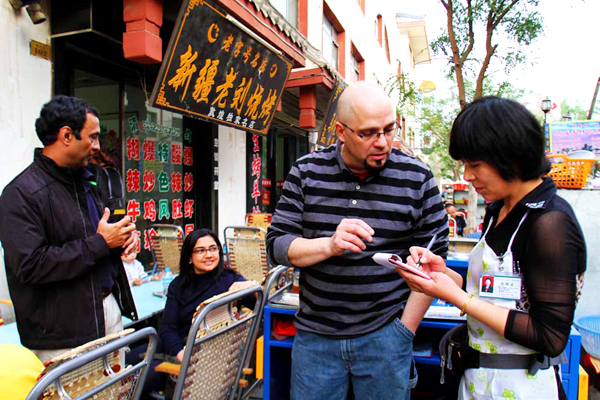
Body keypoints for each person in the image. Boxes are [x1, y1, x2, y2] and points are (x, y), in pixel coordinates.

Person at [266, 81, 448, 399]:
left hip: (386, 336)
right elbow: (278, 245)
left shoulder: (418, 178)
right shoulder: (306, 172)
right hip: (316, 338)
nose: (382, 143)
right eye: (368, 134)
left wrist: (404, 331)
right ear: (341, 131)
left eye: (389, 130)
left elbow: (436, 261)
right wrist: (329, 244)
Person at [400, 96, 586, 399]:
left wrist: (458, 298)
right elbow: (498, 293)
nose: (467, 176)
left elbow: (550, 336)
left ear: (510, 157)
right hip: (479, 380)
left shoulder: (550, 221)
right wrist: (443, 275)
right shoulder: (500, 208)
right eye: (464, 165)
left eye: (475, 165)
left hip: (521, 385)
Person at [0, 95, 138, 363]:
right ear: (66, 135)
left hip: (108, 311)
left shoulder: (88, 181)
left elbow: (99, 238)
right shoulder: (21, 194)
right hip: (62, 334)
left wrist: (122, 241)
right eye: (92, 137)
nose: (97, 146)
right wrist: (101, 243)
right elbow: (30, 265)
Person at [160, 228, 258, 363]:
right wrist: (180, 353)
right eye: (201, 250)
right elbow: (167, 328)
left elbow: (259, 306)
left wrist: (252, 285)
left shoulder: (230, 280)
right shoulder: (178, 285)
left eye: (213, 249)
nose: (209, 255)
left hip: (211, 358)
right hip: (181, 350)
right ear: (189, 257)